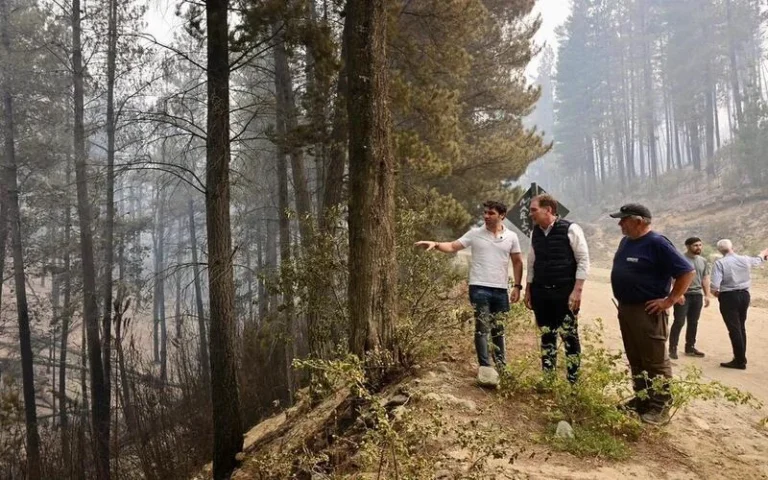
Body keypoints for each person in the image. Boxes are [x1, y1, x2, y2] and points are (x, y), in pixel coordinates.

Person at [609, 203, 694, 425]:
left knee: (655, 360)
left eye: (623, 220)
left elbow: (686, 271)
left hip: (647, 311)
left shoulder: (657, 243)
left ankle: (660, 407)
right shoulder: (626, 241)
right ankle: (642, 400)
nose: (620, 224)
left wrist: (670, 300)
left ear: (639, 221)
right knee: (635, 358)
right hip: (626, 308)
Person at [415, 200, 524, 372]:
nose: (486, 216)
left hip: (501, 289)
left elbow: (517, 262)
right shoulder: (475, 234)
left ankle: (502, 368)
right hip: (479, 287)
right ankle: (485, 368)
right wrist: (435, 244)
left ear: (502, 216)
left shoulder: (511, 237)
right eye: (485, 213)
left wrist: (517, 286)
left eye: (491, 213)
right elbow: (452, 246)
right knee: (482, 327)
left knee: (498, 329)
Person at [523, 194, 589, 384]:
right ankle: (548, 379)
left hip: (564, 293)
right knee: (547, 334)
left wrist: (577, 290)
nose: (530, 214)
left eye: (534, 210)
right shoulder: (535, 232)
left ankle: (573, 383)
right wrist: (528, 289)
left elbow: (583, 260)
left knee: (569, 336)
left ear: (548, 210)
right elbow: (531, 262)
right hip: (541, 293)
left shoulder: (570, 229)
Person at [710, 239, 768, 370]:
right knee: (741, 326)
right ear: (733, 247)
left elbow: (714, 285)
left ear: (719, 250)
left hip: (728, 296)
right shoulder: (745, 259)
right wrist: (763, 253)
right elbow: (758, 260)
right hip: (744, 295)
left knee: (734, 328)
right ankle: (741, 357)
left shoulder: (720, 263)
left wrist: (716, 294)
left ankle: (739, 360)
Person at [669, 237, 711, 360]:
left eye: (700, 245)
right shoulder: (680, 259)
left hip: (697, 295)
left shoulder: (703, 261)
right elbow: (673, 277)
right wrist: (678, 293)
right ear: (688, 246)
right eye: (695, 245)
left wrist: (707, 295)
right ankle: (672, 348)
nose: (698, 248)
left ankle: (690, 347)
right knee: (679, 321)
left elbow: (705, 278)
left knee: (693, 322)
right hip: (683, 295)